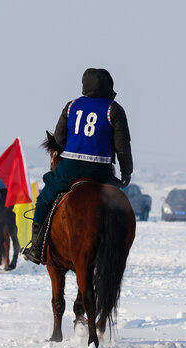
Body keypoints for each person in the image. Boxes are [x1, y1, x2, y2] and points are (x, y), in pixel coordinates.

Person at [22, 68, 133, 265]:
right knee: (118, 206)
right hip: (101, 170)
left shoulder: (71, 106)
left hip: (71, 167)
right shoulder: (114, 109)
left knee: (44, 199)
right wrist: (126, 173)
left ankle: (36, 247)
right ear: (108, 85)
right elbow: (122, 145)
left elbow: (58, 139)